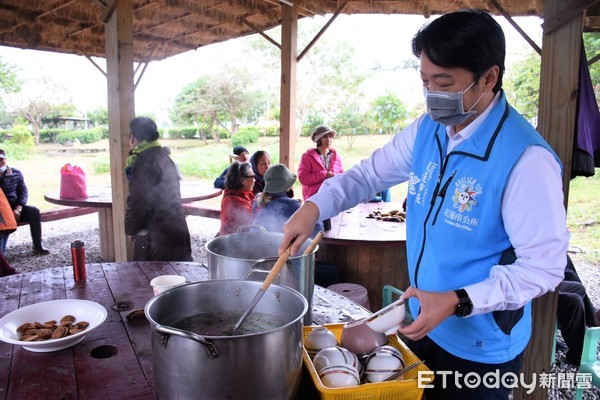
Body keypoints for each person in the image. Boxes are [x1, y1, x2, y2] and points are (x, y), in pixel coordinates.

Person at [279, 9, 569, 399]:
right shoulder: (428, 129)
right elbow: (368, 175)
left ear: (489, 77)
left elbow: (544, 267)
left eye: (443, 82)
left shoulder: (526, 160)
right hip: (420, 319)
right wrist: (314, 207)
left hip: (481, 346)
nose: (432, 93)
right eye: (425, 80)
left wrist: (459, 299)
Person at [252, 164, 336, 287]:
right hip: (285, 268)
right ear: (287, 185)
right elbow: (317, 231)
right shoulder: (291, 205)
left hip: (260, 263)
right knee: (332, 271)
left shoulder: (258, 201)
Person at [124, 117, 192, 261]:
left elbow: (139, 200)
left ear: (133, 138)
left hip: (158, 236)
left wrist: (133, 228)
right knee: (179, 276)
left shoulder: (144, 161)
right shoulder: (163, 155)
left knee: (154, 278)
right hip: (177, 227)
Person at [0, 149, 50, 255]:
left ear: (5, 159)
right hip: (2, 212)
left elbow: (23, 192)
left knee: (33, 211)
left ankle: (37, 246)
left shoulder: (16, 173)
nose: (0, 163)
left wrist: (18, 209)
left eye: (1, 160)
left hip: (15, 209)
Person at [557, 255, 598, 365]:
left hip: (538, 275)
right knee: (573, 301)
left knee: (574, 281)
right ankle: (579, 352)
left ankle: (592, 318)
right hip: (531, 290)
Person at [297, 125, 344, 201]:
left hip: (333, 198)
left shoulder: (337, 157)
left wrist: (334, 176)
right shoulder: (307, 157)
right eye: (325, 137)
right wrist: (324, 175)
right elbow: (303, 178)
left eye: (330, 136)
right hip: (314, 200)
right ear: (318, 139)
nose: (328, 139)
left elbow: (342, 178)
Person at [218, 161, 255, 236]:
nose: (254, 180)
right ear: (242, 180)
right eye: (252, 177)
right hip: (232, 242)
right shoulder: (234, 202)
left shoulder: (243, 192)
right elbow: (253, 220)